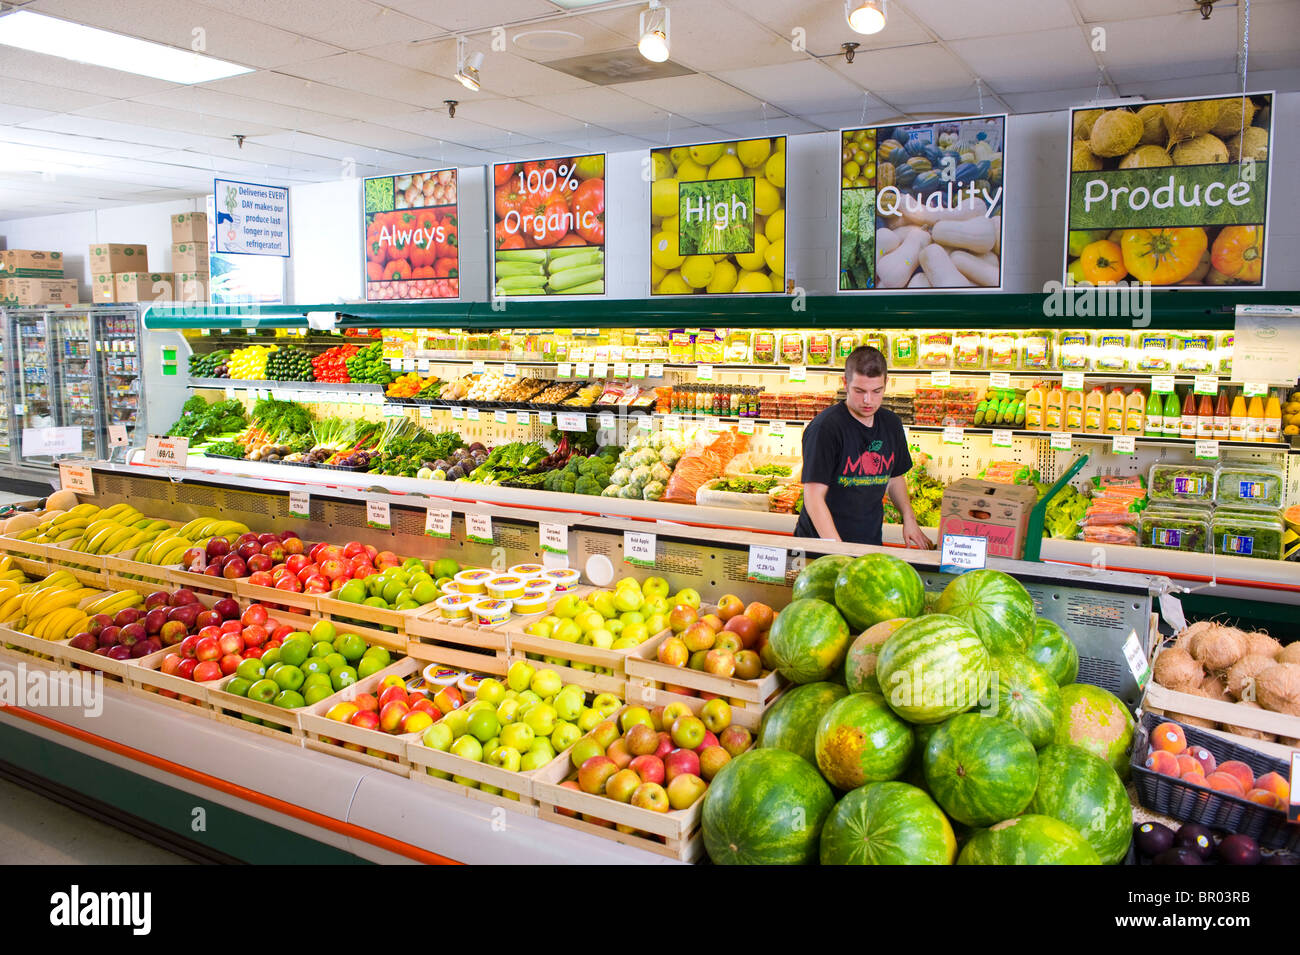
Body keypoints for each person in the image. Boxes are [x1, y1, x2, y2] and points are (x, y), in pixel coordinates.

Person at [793, 345, 932, 548]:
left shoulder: (891, 424)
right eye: (859, 391)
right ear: (845, 383)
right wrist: (838, 550)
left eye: (877, 391)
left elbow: (894, 477)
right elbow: (814, 497)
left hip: (869, 543)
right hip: (820, 546)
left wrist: (909, 519)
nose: (868, 400)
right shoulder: (825, 428)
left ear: (886, 383)